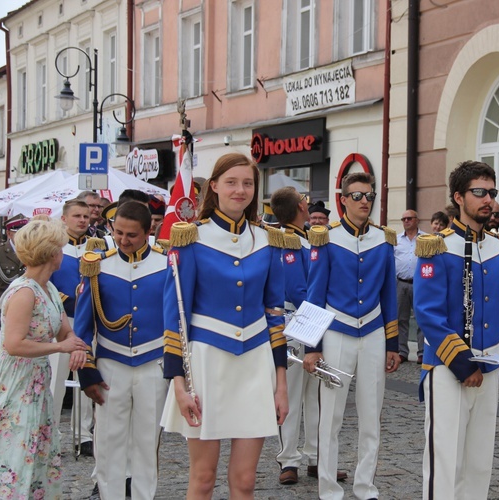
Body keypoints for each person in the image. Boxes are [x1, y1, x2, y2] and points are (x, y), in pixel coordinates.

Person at [160, 153, 289, 499]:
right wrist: (179, 385)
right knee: (202, 479)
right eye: (231, 182)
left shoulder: (269, 241)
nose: (240, 190)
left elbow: (274, 315)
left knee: (245, 482)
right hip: (205, 365)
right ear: (213, 186)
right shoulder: (191, 239)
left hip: (255, 364)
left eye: (247, 183)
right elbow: (176, 319)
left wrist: (281, 383)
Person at [414, 160, 499, 500]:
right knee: (445, 461)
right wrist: (463, 364)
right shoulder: (437, 246)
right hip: (449, 368)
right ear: (459, 197)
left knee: (478, 463)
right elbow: (428, 314)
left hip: (489, 365)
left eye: (491, 192)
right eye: (479, 192)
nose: (488, 199)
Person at [303, 172, 400, 500]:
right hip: (336, 332)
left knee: (372, 415)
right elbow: (314, 294)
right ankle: (328, 488)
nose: (364, 202)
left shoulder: (384, 240)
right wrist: (312, 347)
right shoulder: (325, 239)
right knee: (330, 416)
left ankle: (365, 486)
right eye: (357, 196)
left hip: (372, 331)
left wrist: (393, 344)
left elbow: (389, 295)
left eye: (369, 196)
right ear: (342, 199)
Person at [75, 202, 169, 499]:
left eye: (132, 235)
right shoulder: (98, 264)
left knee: (146, 440)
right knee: (108, 441)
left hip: (153, 361)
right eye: (118, 233)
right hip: (110, 364)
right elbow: (83, 325)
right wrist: (87, 370)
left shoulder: (167, 263)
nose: (123, 240)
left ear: (148, 231)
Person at [0, 220, 88, 499]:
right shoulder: (24, 292)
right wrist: (61, 348)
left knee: (34, 449)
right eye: (59, 248)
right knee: (14, 451)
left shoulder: (48, 289)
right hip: (15, 381)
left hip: (36, 381)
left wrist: (75, 345)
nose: (63, 253)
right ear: (51, 253)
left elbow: (63, 328)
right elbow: (13, 344)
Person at [270, 187, 349, 486]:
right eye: (304, 202)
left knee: (316, 396)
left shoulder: (305, 238)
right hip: (295, 325)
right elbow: (296, 289)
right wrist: (322, 309)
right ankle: (288, 459)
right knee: (290, 394)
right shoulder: (290, 241)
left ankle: (317, 457)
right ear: (301, 208)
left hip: (312, 323)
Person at [48, 200, 97, 456]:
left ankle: (84, 434)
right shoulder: (53, 247)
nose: (82, 220)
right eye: (77, 215)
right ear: (64, 219)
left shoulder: (96, 247)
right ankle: (51, 433)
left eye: (86, 216)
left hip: (88, 322)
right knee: (55, 381)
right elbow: (46, 281)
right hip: (60, 320)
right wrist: (69, 300)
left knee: (86, 376)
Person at [0, 214, 27, 355]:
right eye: (19, 232)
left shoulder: (32, 252)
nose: (24, 236)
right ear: (10, 233)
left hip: (24, 314)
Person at [396, 209, 425, 363]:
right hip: (401, 283)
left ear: (416, 220)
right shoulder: (396, 239)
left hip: (420, 284)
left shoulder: (425, 238)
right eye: (404, 219)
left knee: (421, 319)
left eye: (409, 218)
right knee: (401, 318)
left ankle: (422, 352)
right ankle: (402, 351)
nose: (406, 221)